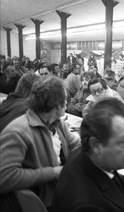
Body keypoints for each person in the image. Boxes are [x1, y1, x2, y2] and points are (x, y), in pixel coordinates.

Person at [0, 76, 81, 208]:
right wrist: (54, 172)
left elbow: (75, 144)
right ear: (57, 104)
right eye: (65, 99)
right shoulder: (19, 131)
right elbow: (4, 177)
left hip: (60, 189)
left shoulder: (58, 124)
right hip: (46, 200)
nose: (67, 103)